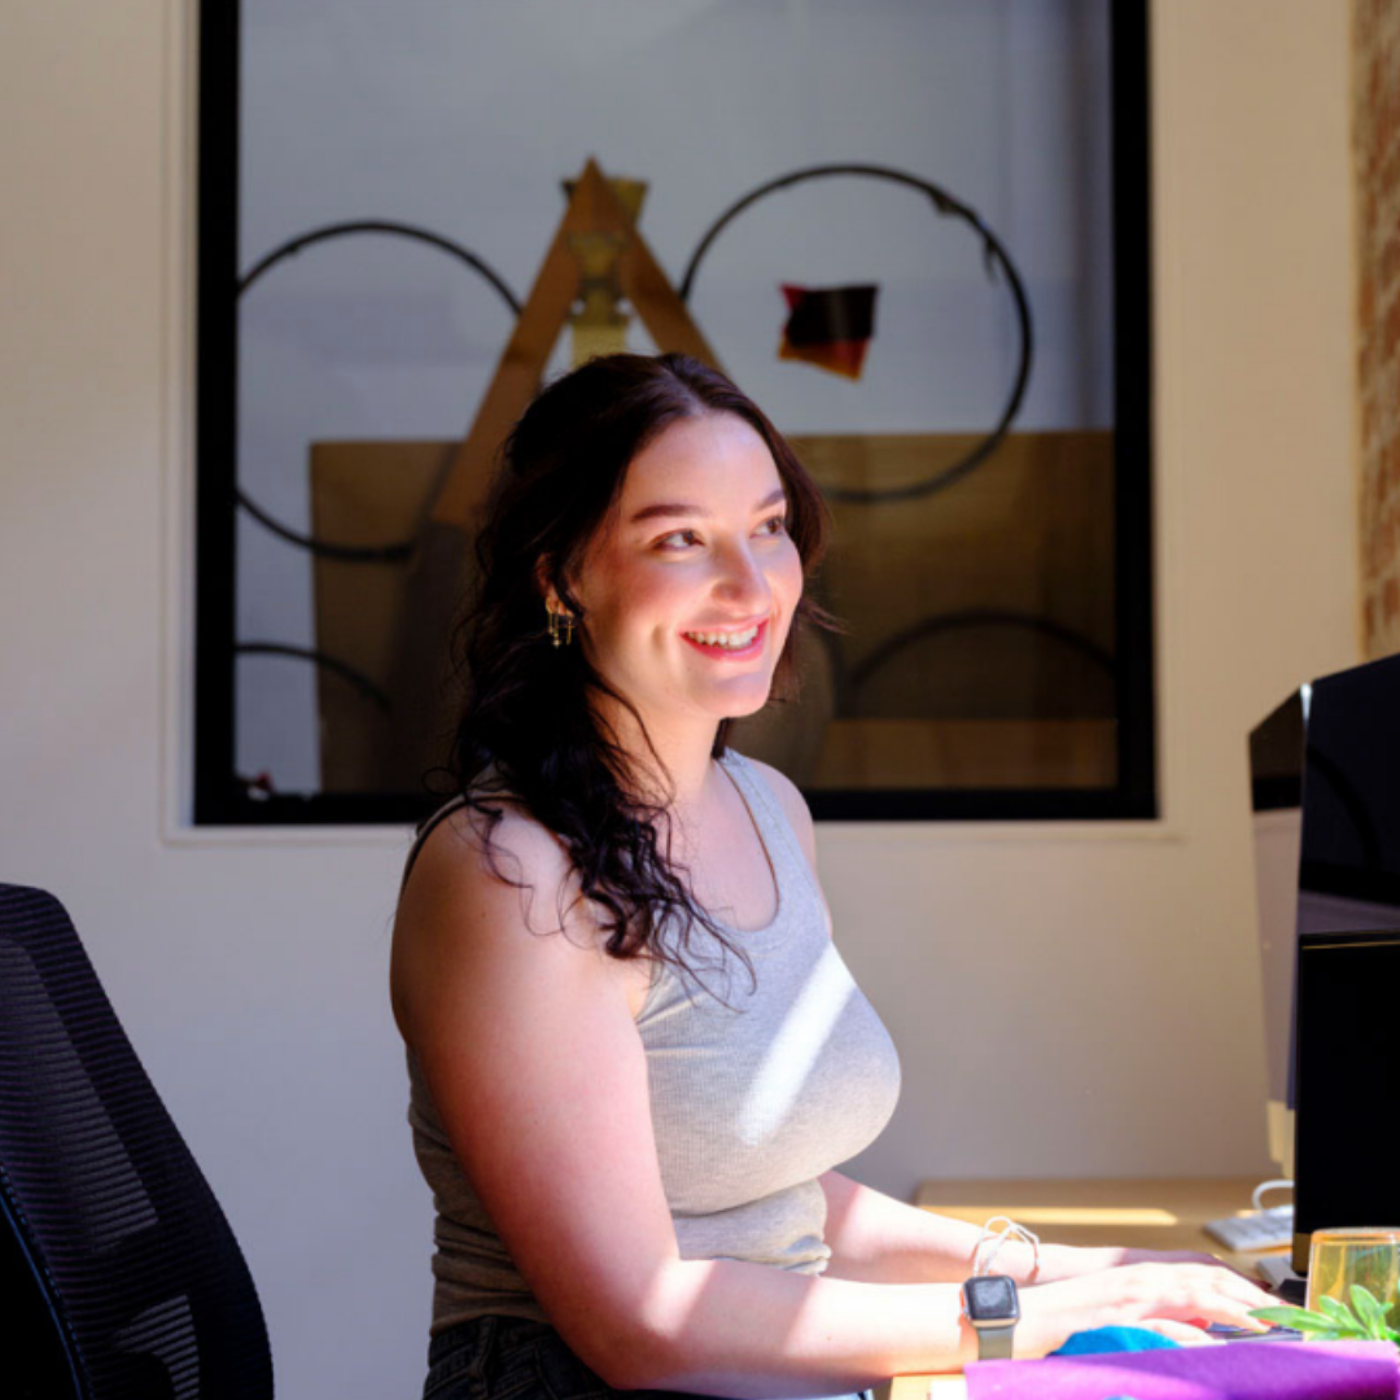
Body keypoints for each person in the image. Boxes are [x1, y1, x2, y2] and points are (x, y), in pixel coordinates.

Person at [390, 353, 1275, 1400]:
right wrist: (1025, 1320)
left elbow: (776, 1197)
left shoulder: (767, 808)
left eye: (766, 526)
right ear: (561, 575)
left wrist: (1074, 1269)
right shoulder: (511, 873)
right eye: (680, 538)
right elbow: (637, 1318)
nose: (750, 581)